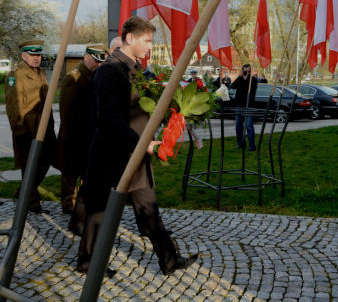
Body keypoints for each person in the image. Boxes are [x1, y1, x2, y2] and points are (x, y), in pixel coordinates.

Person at [77, 16, 197, 276]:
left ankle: (169, 259)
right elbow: (109, 119)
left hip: (134, 153)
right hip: (112, 155)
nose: (149, 46)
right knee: (99, 212)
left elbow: (139, 110)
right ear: (129, 38)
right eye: (146, 41)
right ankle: (87, 262)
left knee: (148, 208)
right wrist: (145, 145)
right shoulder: (110, 71)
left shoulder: (133, 70)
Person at [56, 44, 107, 234]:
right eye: (95, 61)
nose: (97, 65)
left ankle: (76, 204)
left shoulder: (92, 75)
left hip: (87, 133)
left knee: (82, 170)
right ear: (86, 57)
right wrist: (70, 137)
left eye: (100, 62)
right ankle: (68, 204)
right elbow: (67, 111)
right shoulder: (74, 77)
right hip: (74, 134)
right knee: (70, 171)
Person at [5, 40, 57, 214]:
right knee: (29, 167)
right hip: (27, 130)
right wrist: (20, 132)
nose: (36, 58)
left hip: (44, 128)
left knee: (48, 158)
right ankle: (32, 203)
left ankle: (22, 193)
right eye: (33, 55)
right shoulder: (16, 75)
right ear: (23, 55)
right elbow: (13, 106)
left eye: (39, 55)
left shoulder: (40, 72)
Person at [231, 63, 257, 151]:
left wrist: (247, 79)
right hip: (239, 105)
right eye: (245, 71)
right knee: (238, 126)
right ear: (243, 71)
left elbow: (249, 90)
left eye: (249, 71)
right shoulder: (240, 79)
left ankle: (252, 146)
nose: (247, 72)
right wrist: (240, 77)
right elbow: (232, 86)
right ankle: (241, 144)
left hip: (249, 105)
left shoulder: (253, 80)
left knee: (249, 126)